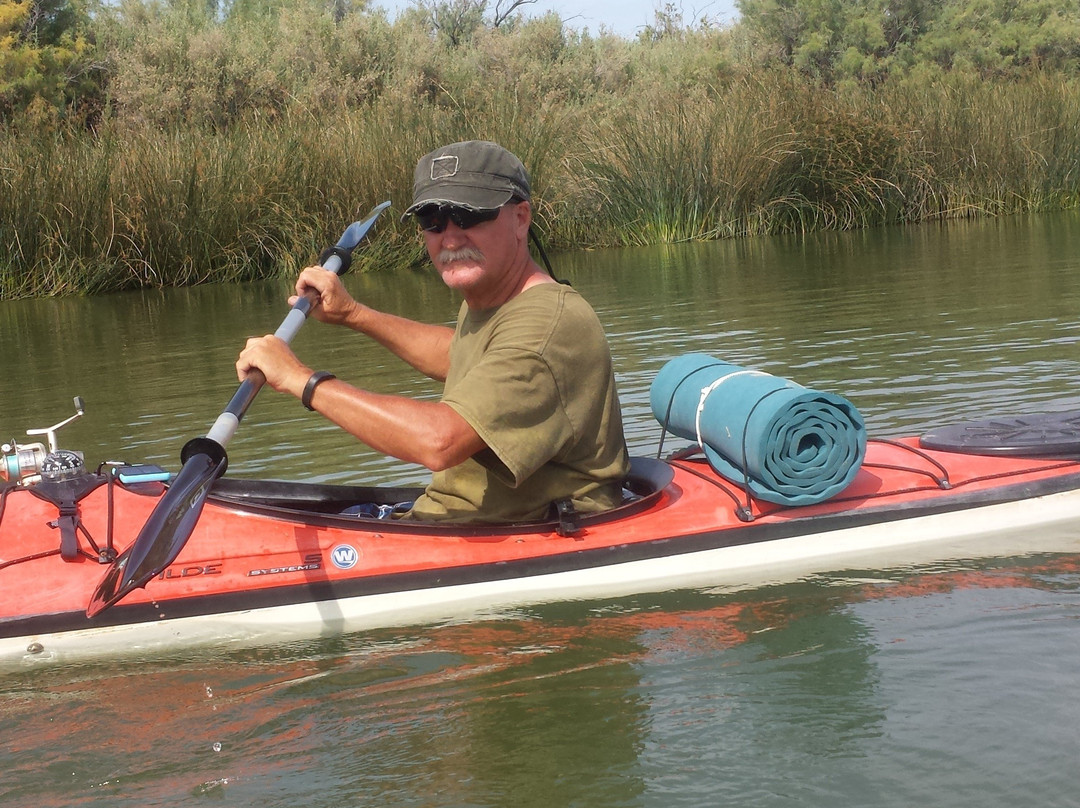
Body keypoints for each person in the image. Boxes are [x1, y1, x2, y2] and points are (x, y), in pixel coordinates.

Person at [236, 140, 630, 523]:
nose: (451, 237)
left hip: (531, 531)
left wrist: (299, 379)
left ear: (521, 218)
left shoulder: (548, 324)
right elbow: (460, 356)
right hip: (450, 517)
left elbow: (439, 442)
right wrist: (353, 314)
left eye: (469, 215)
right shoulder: (494, 297)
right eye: (433, 221)